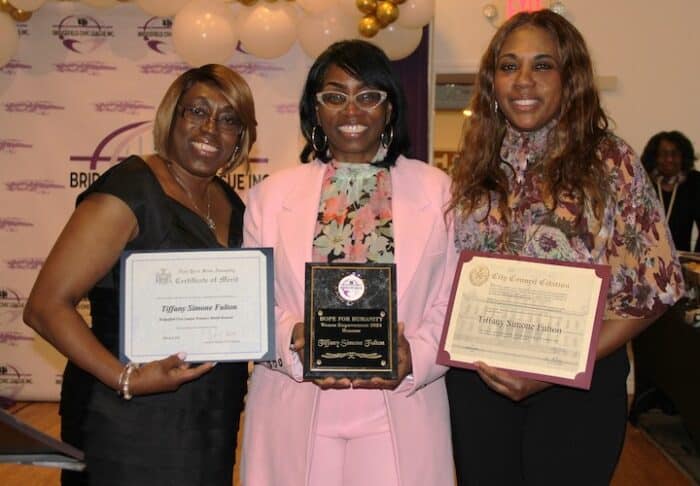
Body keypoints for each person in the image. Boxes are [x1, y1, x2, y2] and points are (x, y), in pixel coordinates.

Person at [446, 10, 684, 485]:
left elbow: (656, 288)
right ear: (492, 81)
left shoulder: (609, 160)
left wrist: (556, 366)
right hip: (480, 385)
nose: (523, 81)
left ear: (569, 76)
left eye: (542, 65)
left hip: (580, 388)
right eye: (509, 66)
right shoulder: (473, 165)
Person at [23, 64, 256, 486]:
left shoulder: (229, 202)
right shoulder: (131, 189)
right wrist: (124, 377)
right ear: (172, 116)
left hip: (209, 423)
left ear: (240, 137)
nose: (210, 128)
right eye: (196, 111)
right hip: (125, 421)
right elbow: (45, 306)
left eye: (228, 120)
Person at [240, 40, 456, 486]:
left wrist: (414, 356)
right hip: (297, 399)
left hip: (402, 403)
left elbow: (453, 300)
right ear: (315, 111)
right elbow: (252, 304)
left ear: (389, 107)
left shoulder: (440, 193)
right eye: (334, 96)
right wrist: (294, 338)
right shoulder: (269, 197)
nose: (351, 110)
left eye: (368, 95)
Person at [641, 130, 700, 252]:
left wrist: (695, 262)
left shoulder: (695, 183)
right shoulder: (642, 183)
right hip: (646, 260)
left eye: (675, 154)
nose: (669, 159)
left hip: (682, 261)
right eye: (663, 154)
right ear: (654, 157)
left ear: (683, 157)